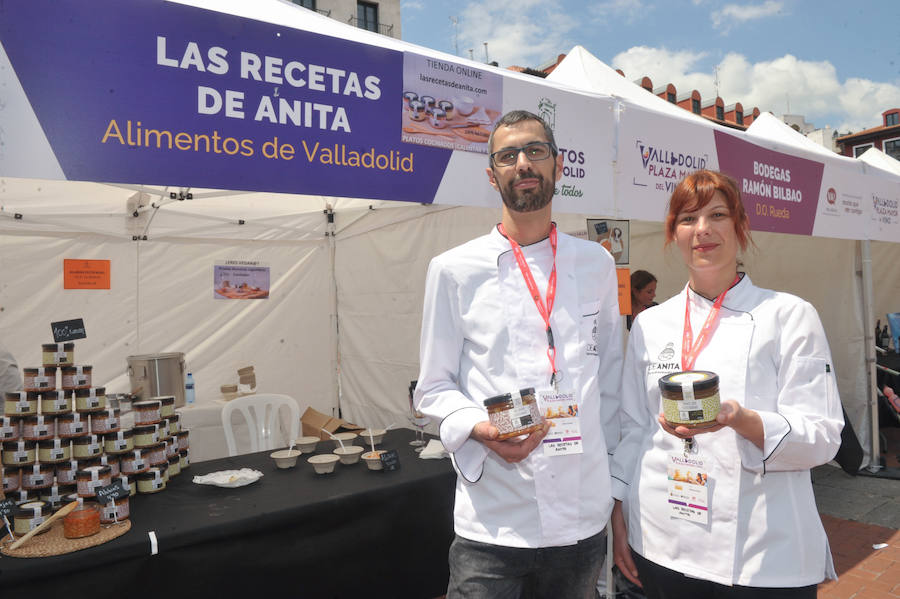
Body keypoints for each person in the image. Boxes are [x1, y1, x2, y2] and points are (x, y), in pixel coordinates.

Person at [414, 110, 624, 598]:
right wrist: (479, 429)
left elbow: (611, 381)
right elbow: (434, 386)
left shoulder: (595, 263)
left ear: (559, 165)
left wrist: (617, 491)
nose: (523, 164)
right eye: (508, 156)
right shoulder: (453, 270)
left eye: (535, 151)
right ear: (493, 176)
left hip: (581, 517)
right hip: (494, 523)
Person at [609, 170, 844, 598]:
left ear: (740, 225)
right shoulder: (649, 324)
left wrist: (743, 420)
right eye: (687, 218)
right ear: (673, 234)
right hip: (662, 541)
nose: (702, 230)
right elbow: (633, 427)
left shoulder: (789, 315)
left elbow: (824, 437)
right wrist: (619, 507)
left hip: (761, 554)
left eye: (717, 214)